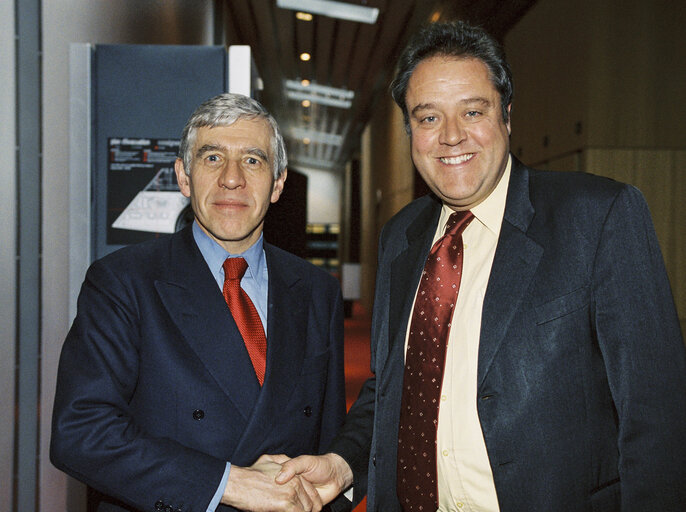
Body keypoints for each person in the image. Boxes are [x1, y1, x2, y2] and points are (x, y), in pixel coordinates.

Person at [275, 21, 686, 511]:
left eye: (473, 111)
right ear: (411, 130)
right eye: (428, 119)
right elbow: (393, 387)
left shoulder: (597, 217)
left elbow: (659, 418)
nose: (451, 136)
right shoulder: (401, 237)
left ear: (506, 117)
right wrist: (344, 463)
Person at [51, 93, 347, 512]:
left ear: (278, 183)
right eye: (212, 158)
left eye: (253, 160)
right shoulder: (122, 282)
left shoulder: (318, 291)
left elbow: (328, 442)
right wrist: (229, 483)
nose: (231, 179)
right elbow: (80, 433)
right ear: (183, 177)